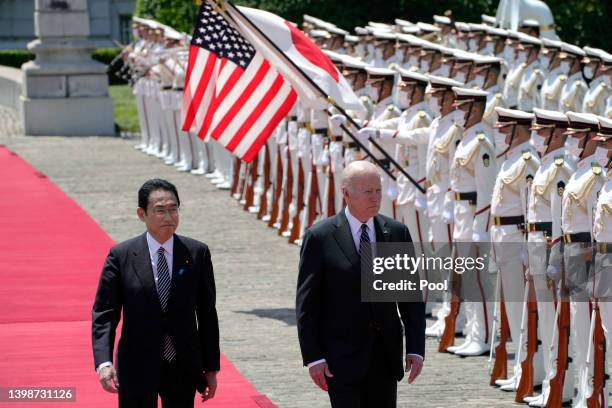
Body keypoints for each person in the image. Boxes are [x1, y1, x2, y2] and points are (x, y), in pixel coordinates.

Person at [296, 160, 425, 407]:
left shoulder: (396, 233)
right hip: (340, 359)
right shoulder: (320, 236)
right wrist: (313, 357)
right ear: (346, 193)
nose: (375, 198)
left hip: (385, 356)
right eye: (368, 192)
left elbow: (410, 297)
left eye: (378, 190)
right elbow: (307, 304)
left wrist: (416, 348)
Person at [92, 179, 220, 407]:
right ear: (142, 214)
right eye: (160, 211)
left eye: (173, 209)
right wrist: (103, 362)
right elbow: (105, 313)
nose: (169, 217)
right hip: (137, 364)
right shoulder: (121, 256)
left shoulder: (196, 253)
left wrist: (211, 367)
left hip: (182, 364)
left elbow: (207, 313)